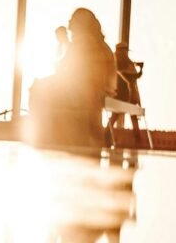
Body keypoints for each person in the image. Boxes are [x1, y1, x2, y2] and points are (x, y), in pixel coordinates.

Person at [29, 8, 117, 147]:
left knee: (37, 89)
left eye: (72, 19)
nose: (69, 23)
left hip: (86, 91)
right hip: (95, 90)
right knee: (43, 87)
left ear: (80, 24)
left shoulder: (84, 42)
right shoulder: (100, 45)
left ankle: (44, 139)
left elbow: (67, 71)